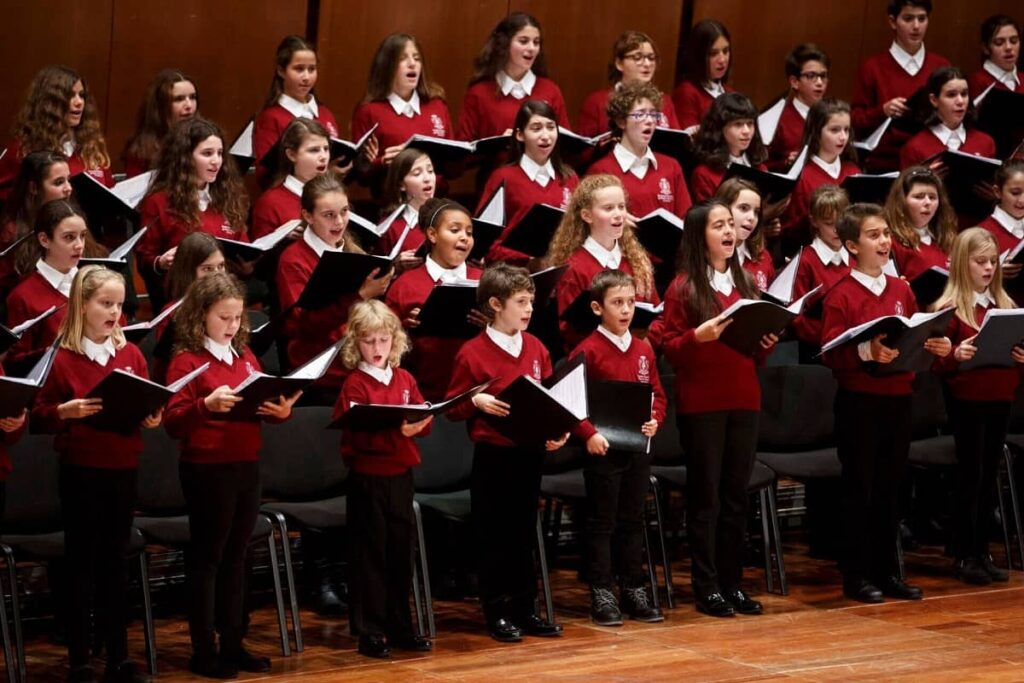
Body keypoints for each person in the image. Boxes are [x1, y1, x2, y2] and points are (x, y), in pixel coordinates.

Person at [164, 272, 299, 678]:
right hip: (207, 468)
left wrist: (280, 412)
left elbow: (259, 403)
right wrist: (205, 405)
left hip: (245, 463)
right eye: (224, 318)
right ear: (201, 315)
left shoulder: (244, 358)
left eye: (238, 318)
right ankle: (204, 649)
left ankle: (234, 642)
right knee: (209, 559)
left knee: (238, 558)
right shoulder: (186, 361)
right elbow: (172, 422)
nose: (232, 326)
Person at [32, 265, 159, 683]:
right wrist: (61, 413)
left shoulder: (131, 355)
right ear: (82, 306)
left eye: (120, 305)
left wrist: (151, 415)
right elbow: (40, 415)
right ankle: (80, 659)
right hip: (82, 471)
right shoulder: (63, 357)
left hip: (123, 467)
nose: (114, 313)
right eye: (105, 304)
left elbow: (144, 399)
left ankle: (119, 657)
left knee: (115, 564)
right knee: (80, 564)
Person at [820, 202, 951, 603]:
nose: (883, 241)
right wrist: (864, 353)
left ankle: (888, 570)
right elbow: (829, 351)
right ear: (851, 245)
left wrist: (936, 345)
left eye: (885, 234)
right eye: (873, 235)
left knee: (893, 490)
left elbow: (913, 336)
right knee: (860, 488)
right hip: (859, 402)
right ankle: (857, 575)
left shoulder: (901, 289)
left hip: (898, 400)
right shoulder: (840, 294)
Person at [662, 200, 777, 617]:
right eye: (719, 225)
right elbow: (671, 350)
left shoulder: (745, 283)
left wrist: (765, 345)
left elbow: (750, 354)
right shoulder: (683, 287)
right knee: (706, 498)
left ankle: (733, 583)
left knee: (736, 497)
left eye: (732, 224)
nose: (729, 231)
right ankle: (706, 585)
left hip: (744, 398)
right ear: (700, 235)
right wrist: (698, 337)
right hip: (703, 403)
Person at [445, 263, 567, 643]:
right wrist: (475, 400)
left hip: (529, 452)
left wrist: (558, 430)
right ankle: (497, 610)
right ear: (495, 304)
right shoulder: (472, 353)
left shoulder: (536, 347)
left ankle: (525, 609)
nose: (529, 309)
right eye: (521, 302)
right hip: (494, 455)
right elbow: (452, 406)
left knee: (522, 533)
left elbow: (549, 399)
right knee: (494, 535)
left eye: (531, 301)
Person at [332, 299, 433, 658]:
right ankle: (370, 629)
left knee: (400, 553)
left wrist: (419, 424)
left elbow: (423, 412)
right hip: (368, 479)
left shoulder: (404, 378)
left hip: (401, 475)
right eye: (369, 342)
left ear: (396, 340)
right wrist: (399, 432)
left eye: (384, 341)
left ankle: (399, 623)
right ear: (355, 343)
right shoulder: (355, 386)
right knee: (370, 554)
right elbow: (357, 435)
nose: (377, 349)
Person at [570, 269, 666, 626]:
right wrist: (588, 433)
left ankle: (633, 587)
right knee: (602, 522)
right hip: (604, 451)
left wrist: (655, 419)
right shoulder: (587, 351)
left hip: (637, 449)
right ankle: (602, 590)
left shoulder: (643, 349)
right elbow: (572, 403)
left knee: (632, 519)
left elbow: (657, 394)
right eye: (617, 303)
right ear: (598, 307)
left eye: (630, 302)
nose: (626, 310)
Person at [931, 227, 1020, 585]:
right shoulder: (947, 310)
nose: (987, 268)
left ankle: (981, 550)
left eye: (992, 261)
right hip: (966, 399)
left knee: (989, 475)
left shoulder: (1006, 306)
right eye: (980, 261)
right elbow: (934, 364)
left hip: (1000, 395)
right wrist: (955, 354)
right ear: (961, 264)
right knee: (971, 474)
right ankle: (964, 551)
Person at [276, 174, 392, 400]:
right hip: (319, 378)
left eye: (344, 212)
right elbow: (301, 326)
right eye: (329, 215)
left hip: (361, 367)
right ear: (307, 216)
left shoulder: (354, 253)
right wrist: (360, 296)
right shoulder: (293, 260)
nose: (339, 222)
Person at [136, 117, 249, 313]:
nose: (216, 161)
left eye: (220, 153)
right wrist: (160, 262)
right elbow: (145, 258)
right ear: (186, 157)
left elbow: (243, 248)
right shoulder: (159, 202)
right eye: (207, 153)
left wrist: (247, 266)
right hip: (182, 304)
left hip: (225, 302)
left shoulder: (227, 198)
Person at [385, 198, 485, 401]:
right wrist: (404, 329)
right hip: (424, 393)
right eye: (455, 230)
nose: (465, 238)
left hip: (477, 393)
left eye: (469, 232)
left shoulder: (484, 281)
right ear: (432, 234)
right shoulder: (404, 285)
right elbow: (385, 346)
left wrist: (490, 324)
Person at [548, 174, 659, 351]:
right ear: (587, 215)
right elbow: (569, 330)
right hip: (597, 361)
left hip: (636, 356)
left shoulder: (636, 260)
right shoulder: (574, 267)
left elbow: (657, 316)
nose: (618, 215)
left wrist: (642, 343)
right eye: (608, 208)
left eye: (621, 207)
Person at [851, 0, 950, 172]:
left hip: (931, 161)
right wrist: (883, 111)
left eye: (922, 18)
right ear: (892, 22)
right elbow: (855, 119)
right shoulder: (872, 67)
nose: (916, 26)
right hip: (885, 164)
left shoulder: (941, 66)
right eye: (908, 19)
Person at [477, 100, 578, 266]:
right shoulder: (503, 177)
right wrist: (527, 259)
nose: (545, 136)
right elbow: (485, 242)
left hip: (561, 272)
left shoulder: (568, 177)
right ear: (520, 135)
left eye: (551, 127)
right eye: (536, 128)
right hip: (514, 275)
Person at [0, 65, 113, 200]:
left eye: (82, 95)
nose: (79, 102)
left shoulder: (92, 148)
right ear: (50, 104)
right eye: (70, 96)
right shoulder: (23, 150)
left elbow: (111, 191)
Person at [586, 82, 692, 219]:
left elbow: (686, 220)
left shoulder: (671, 167)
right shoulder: (601, 171)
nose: (649, 121)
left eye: (654, 115)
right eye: (640, 114)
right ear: (621, 121)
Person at [458, 12, 569, 141]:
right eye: (524, 41)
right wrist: (498, 145)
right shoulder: (479, 93)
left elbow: (566, 146)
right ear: (505, 44)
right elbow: (464, 150)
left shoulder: (550, 91)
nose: (532, 48)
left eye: (536, 42)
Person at [781, 98, 861, 254]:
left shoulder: (853, 171)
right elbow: (789, 232)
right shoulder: (803, 176)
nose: (843, 137)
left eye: (846, 129)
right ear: (817, 132)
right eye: (835, 130)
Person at [252, 35, 339, 167]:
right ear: (281, 71)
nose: (306, 77)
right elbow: (265, 172)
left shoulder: (325, 113)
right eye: (299, 69)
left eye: (312, 69)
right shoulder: (271, 117)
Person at [576, 30, 679, 137]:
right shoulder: (597, 102)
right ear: (619, 63)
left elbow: (679, 144)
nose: (647, 64)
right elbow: (584, 150)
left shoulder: (665, 101)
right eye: (637, 58)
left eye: (651, 58)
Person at [899, 66, 996, 169]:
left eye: (964, 94)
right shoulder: (914, 148)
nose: (960, 101)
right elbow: (903, 184)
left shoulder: (985, 142)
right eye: (951, 95)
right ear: (934, 100)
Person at [689, 93, 768, 202]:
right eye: (738, 124)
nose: (747, 131)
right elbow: (709, 217)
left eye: (750, 123)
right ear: (720, 128)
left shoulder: (761, 169)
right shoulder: (704, 174)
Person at [882, 166, 956, 281]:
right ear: (901, 201)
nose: (927, 202)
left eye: (932, 197)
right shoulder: (890, 242)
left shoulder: (947, 240)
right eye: (919, 197)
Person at [765, 44, 831, 171]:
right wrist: (786, 163)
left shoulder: (834, 116)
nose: (819, 82)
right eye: (811, 76)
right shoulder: (777, 119)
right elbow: (762, 165)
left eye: (823, 76)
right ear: (794, 82)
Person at [122, 69, 198, 177]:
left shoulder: (205, 139)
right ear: (161, 106)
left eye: (193, 97)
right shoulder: (142, 150)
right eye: (179, 99)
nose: (189, 105)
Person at [671, 19, 734, 133]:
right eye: (713, 53)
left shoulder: (729, 92)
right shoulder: (687, 92)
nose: (722, 60)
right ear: (698, 56)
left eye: (725, 51)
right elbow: (690, 142)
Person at [715, 178, 775, 290]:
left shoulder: (763, 257)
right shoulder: (706, 257)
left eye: (756, 212)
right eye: (743, 208)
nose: (752, 218)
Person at [967, 14, 1023, 97]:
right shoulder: (976, 82)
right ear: (985, 48)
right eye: (999, 43)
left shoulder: (1022, 79)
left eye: (1014, 41)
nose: (1008, 47)